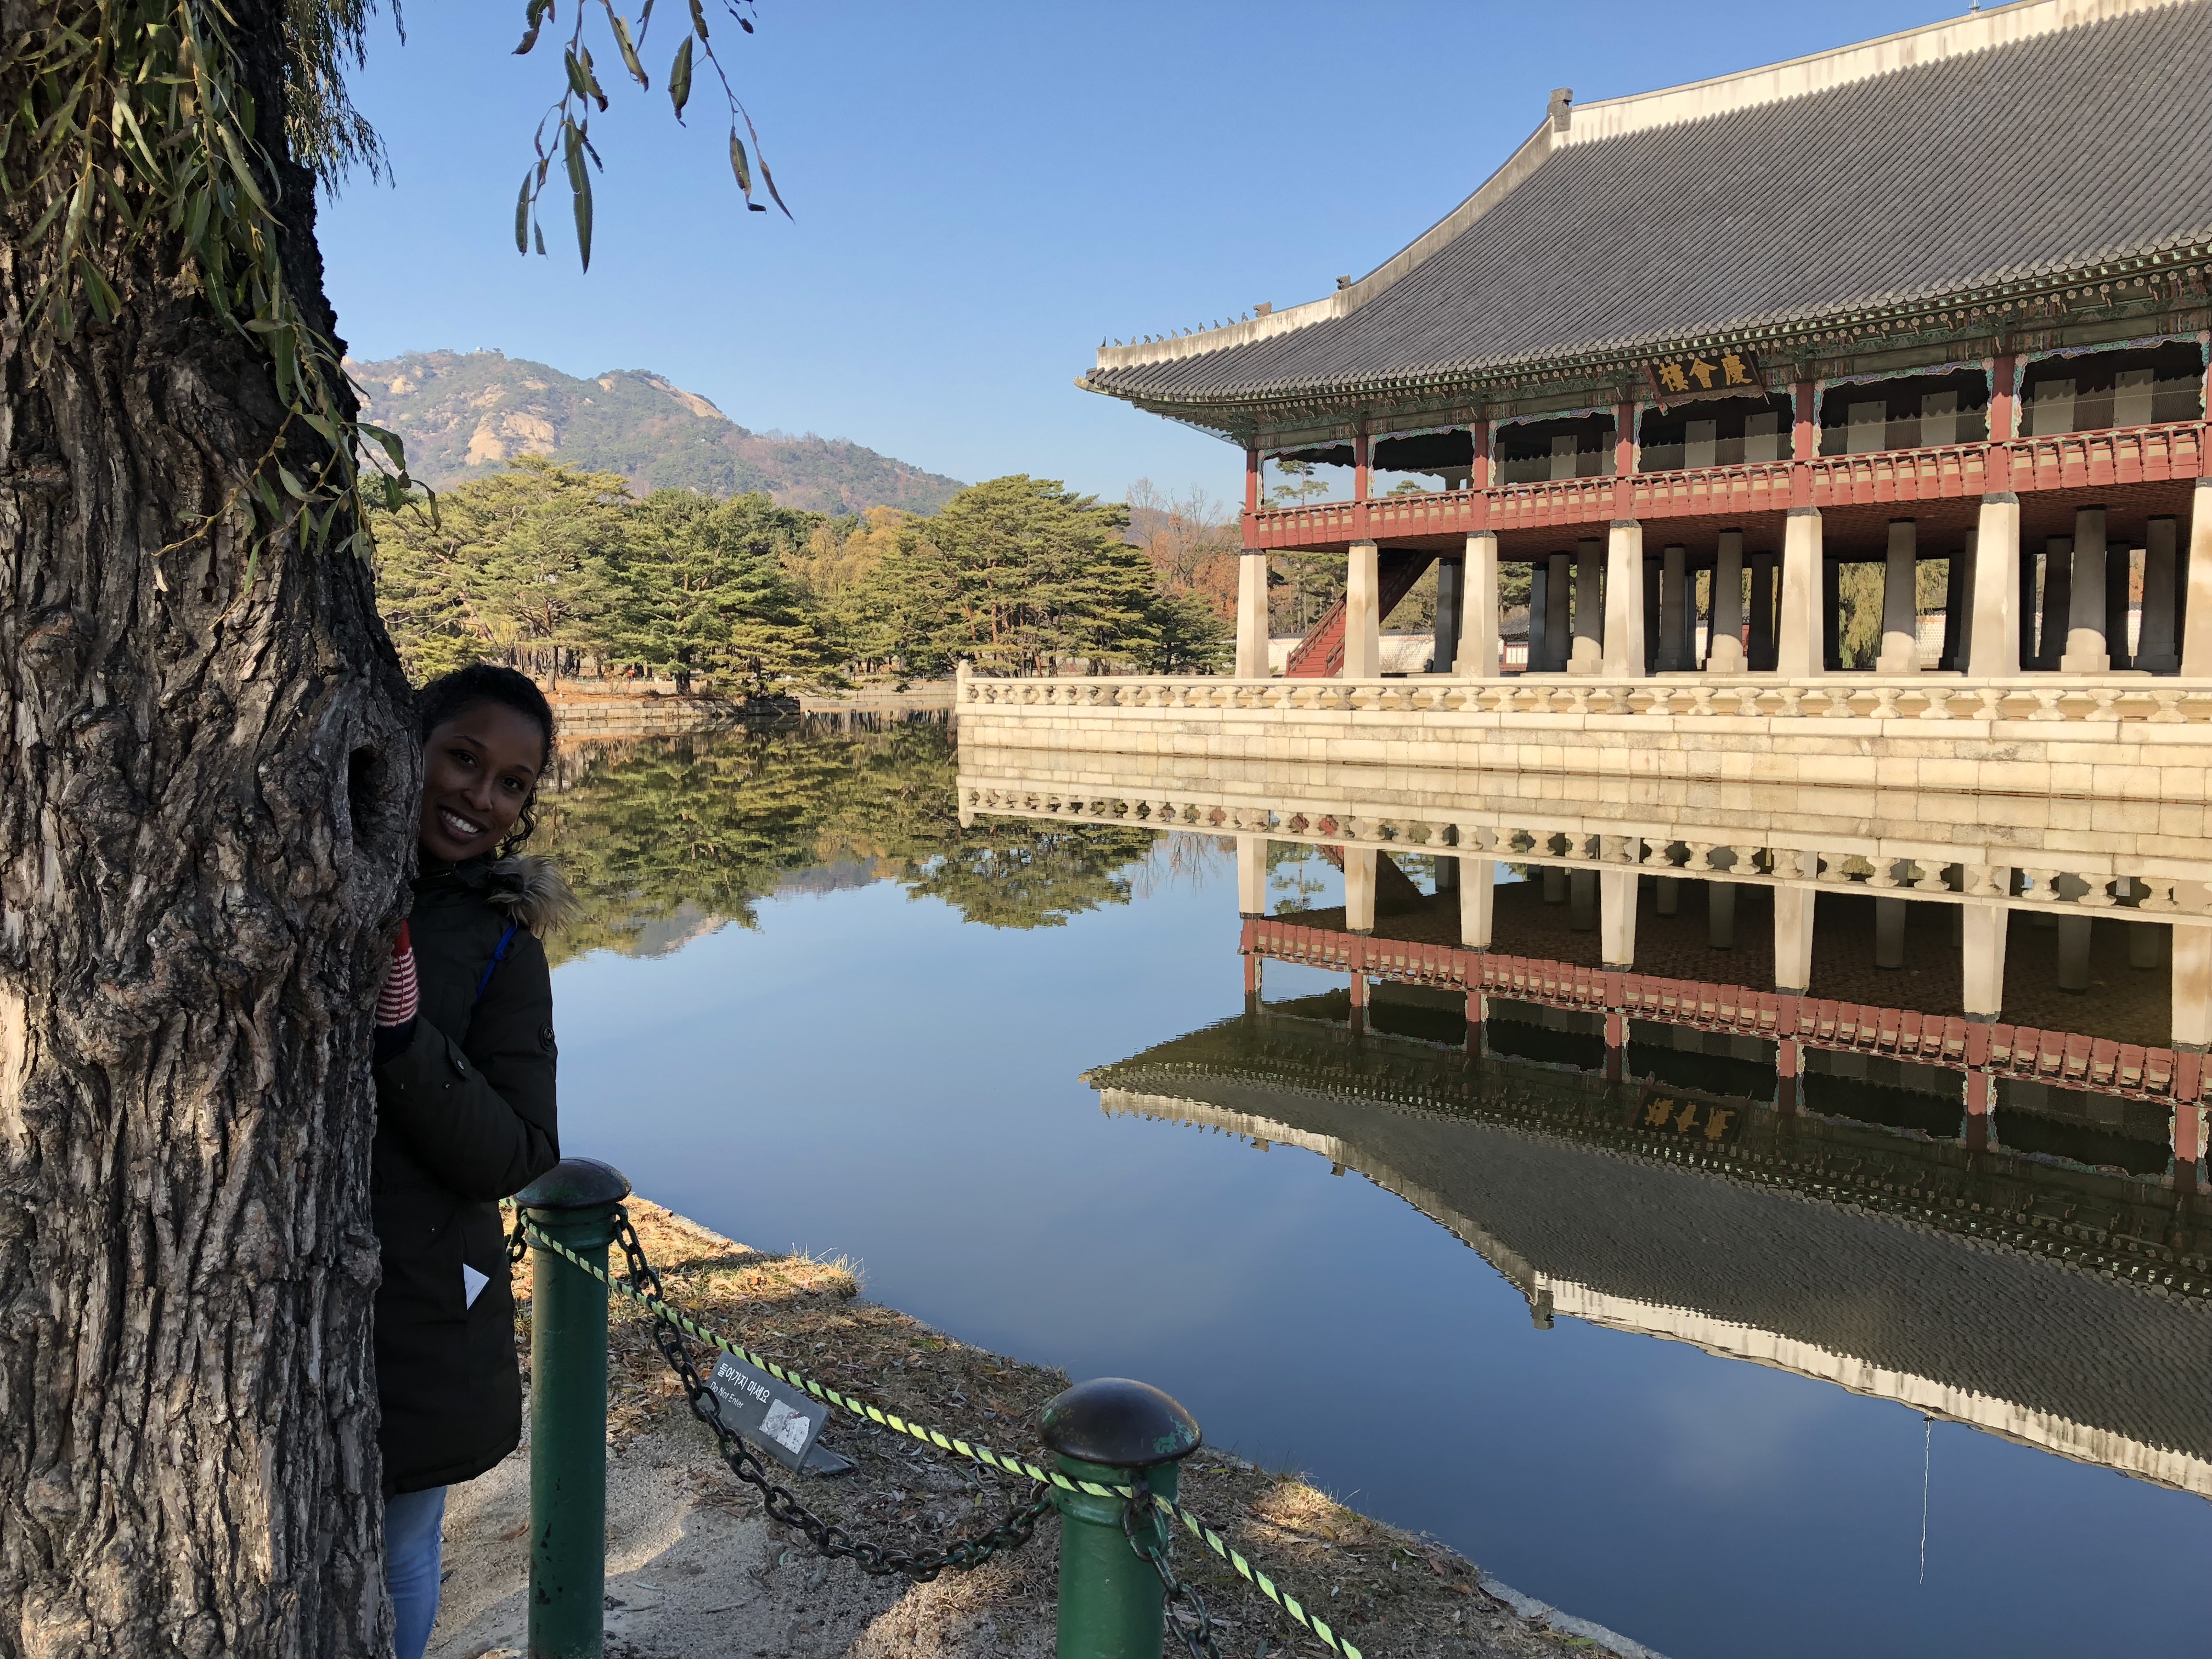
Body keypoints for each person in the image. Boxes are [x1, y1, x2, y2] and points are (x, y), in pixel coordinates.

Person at [371, 664, 574, 1659]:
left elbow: (522, 1153)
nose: (480, 798)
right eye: (462, 758)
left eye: (512, 785)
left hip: (421, 1294)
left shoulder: (503, 951)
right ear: (408, 743)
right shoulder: (293, 867)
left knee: (403, 1537)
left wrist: (408, 1040)